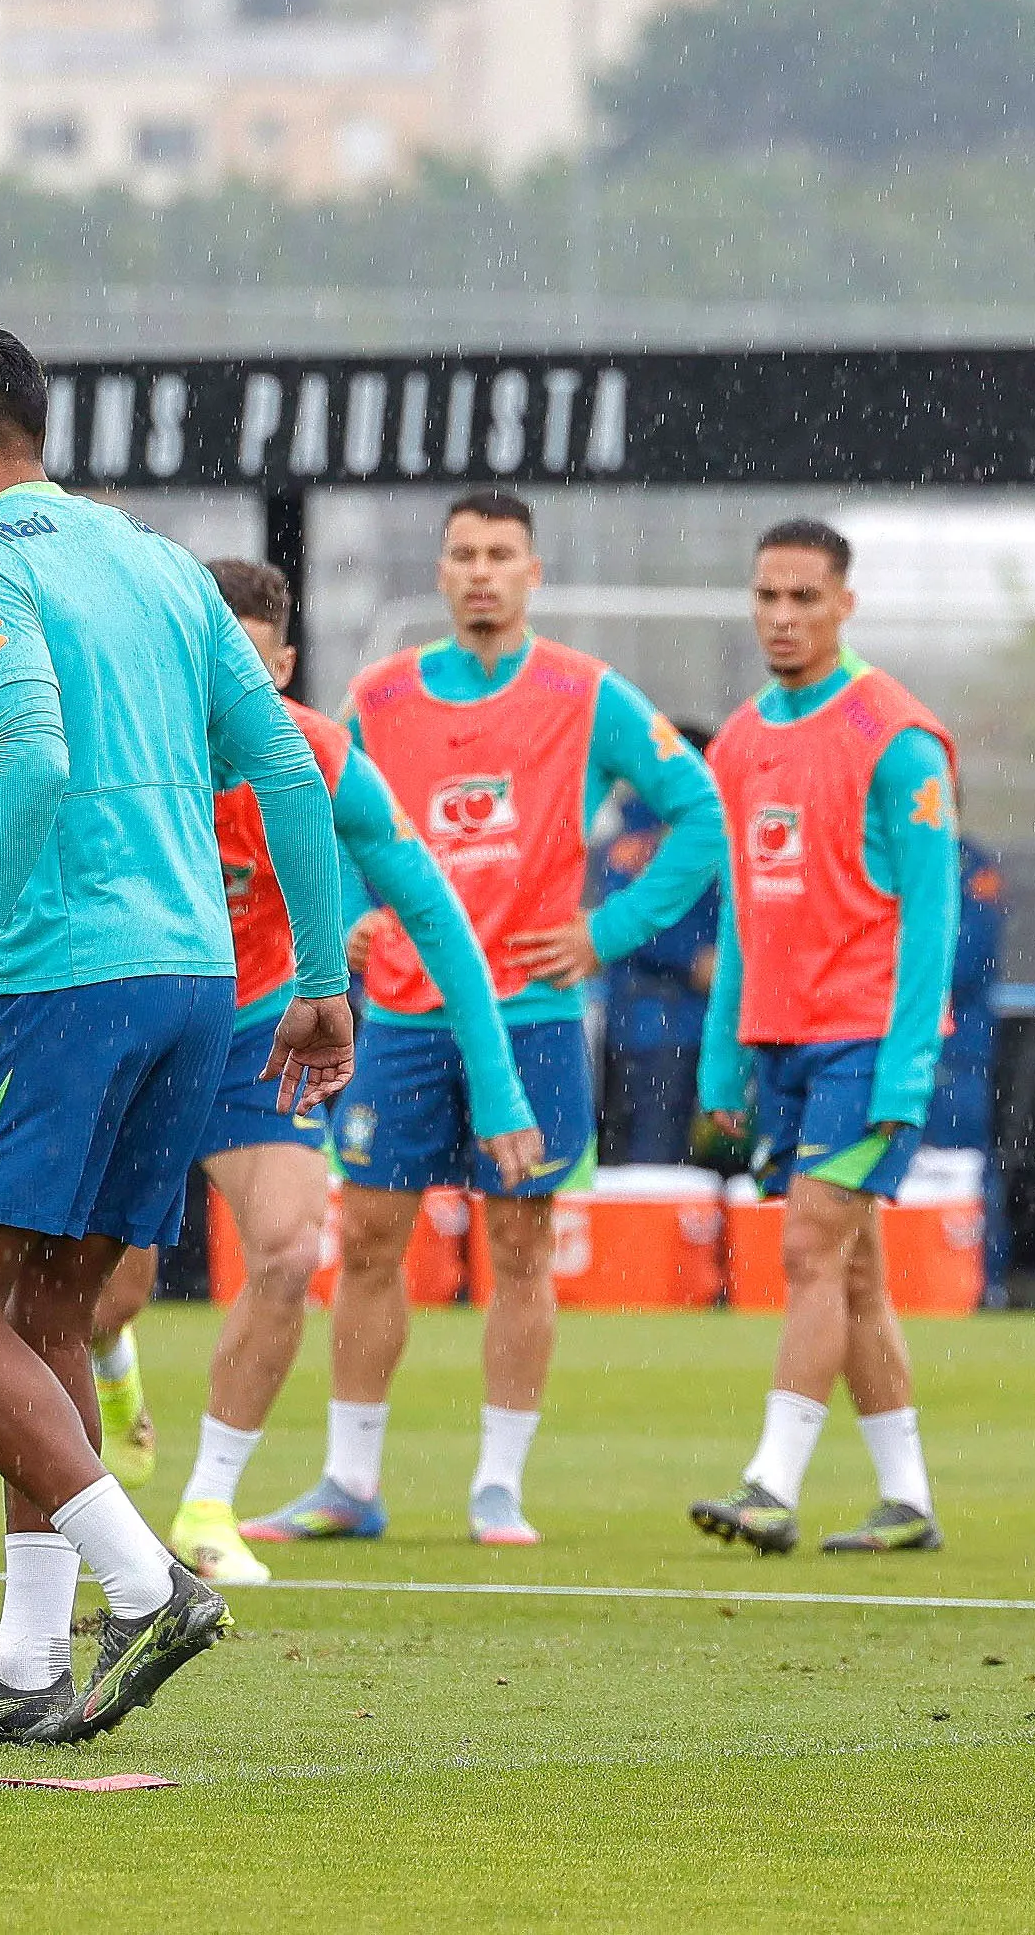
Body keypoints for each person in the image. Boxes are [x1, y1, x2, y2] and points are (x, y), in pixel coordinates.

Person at [0, 324, 352, 1748]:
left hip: (58, 973)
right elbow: (283, 760)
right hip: (194, 975)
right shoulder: (157, 562)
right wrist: (319, 973)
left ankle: (145, 1584)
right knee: (48, 1312)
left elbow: (27, 762)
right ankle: (28, 1660)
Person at [251, 490, 725, 1552]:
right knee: (370, 1235)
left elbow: (701, 811)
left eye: (500, 554)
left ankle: (498, 1485)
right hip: (402, 1013)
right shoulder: (381, 693)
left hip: (535, 1012)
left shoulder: (585, 692)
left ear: (532, 572)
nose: (480, 571)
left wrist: (612, 929)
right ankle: (349, 1480)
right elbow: (322, 812)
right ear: (441, 570)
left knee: (521, 1241)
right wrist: (347, 914)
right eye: (463, 553)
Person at [82, 556, 530, 1588]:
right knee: (103, 1295)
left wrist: (498, 1087)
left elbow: (433, 913)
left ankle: (208, 1506)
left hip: (256, 1031)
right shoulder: (123, 744)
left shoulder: (321, 756)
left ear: (280, 668)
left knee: (288, 1252)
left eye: (245, 666)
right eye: (205, 663)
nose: (222, 689)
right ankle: (110, 1365)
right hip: (135, 1024)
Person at [685, 519, 962, 1556]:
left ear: (846, 603)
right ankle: (908, 1499)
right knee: (852, 1274)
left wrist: (906, 1068)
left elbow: (933, 918)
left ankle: (770, 1482)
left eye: (805, 596)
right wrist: (723, 1061)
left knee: (807, 1248)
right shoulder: (740, 741)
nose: (783, 616)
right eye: (768, 595)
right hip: (781, 1044)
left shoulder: (897, 735)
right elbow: (739, 915)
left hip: (864, 1041)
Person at [593, 748, 722, 1167]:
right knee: (649, 1162)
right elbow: (621, 922)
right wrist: (693, 956)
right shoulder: (642, 826)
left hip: (705, 1026)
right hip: (655, 1021)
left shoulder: (715, 820)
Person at [930, 843, 1009, 1297]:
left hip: (955, 1054)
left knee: (961, 1168)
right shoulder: (878, 850)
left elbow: (964, 957)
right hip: (884, 1043)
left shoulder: (975, 867)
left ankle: (983, 1283)